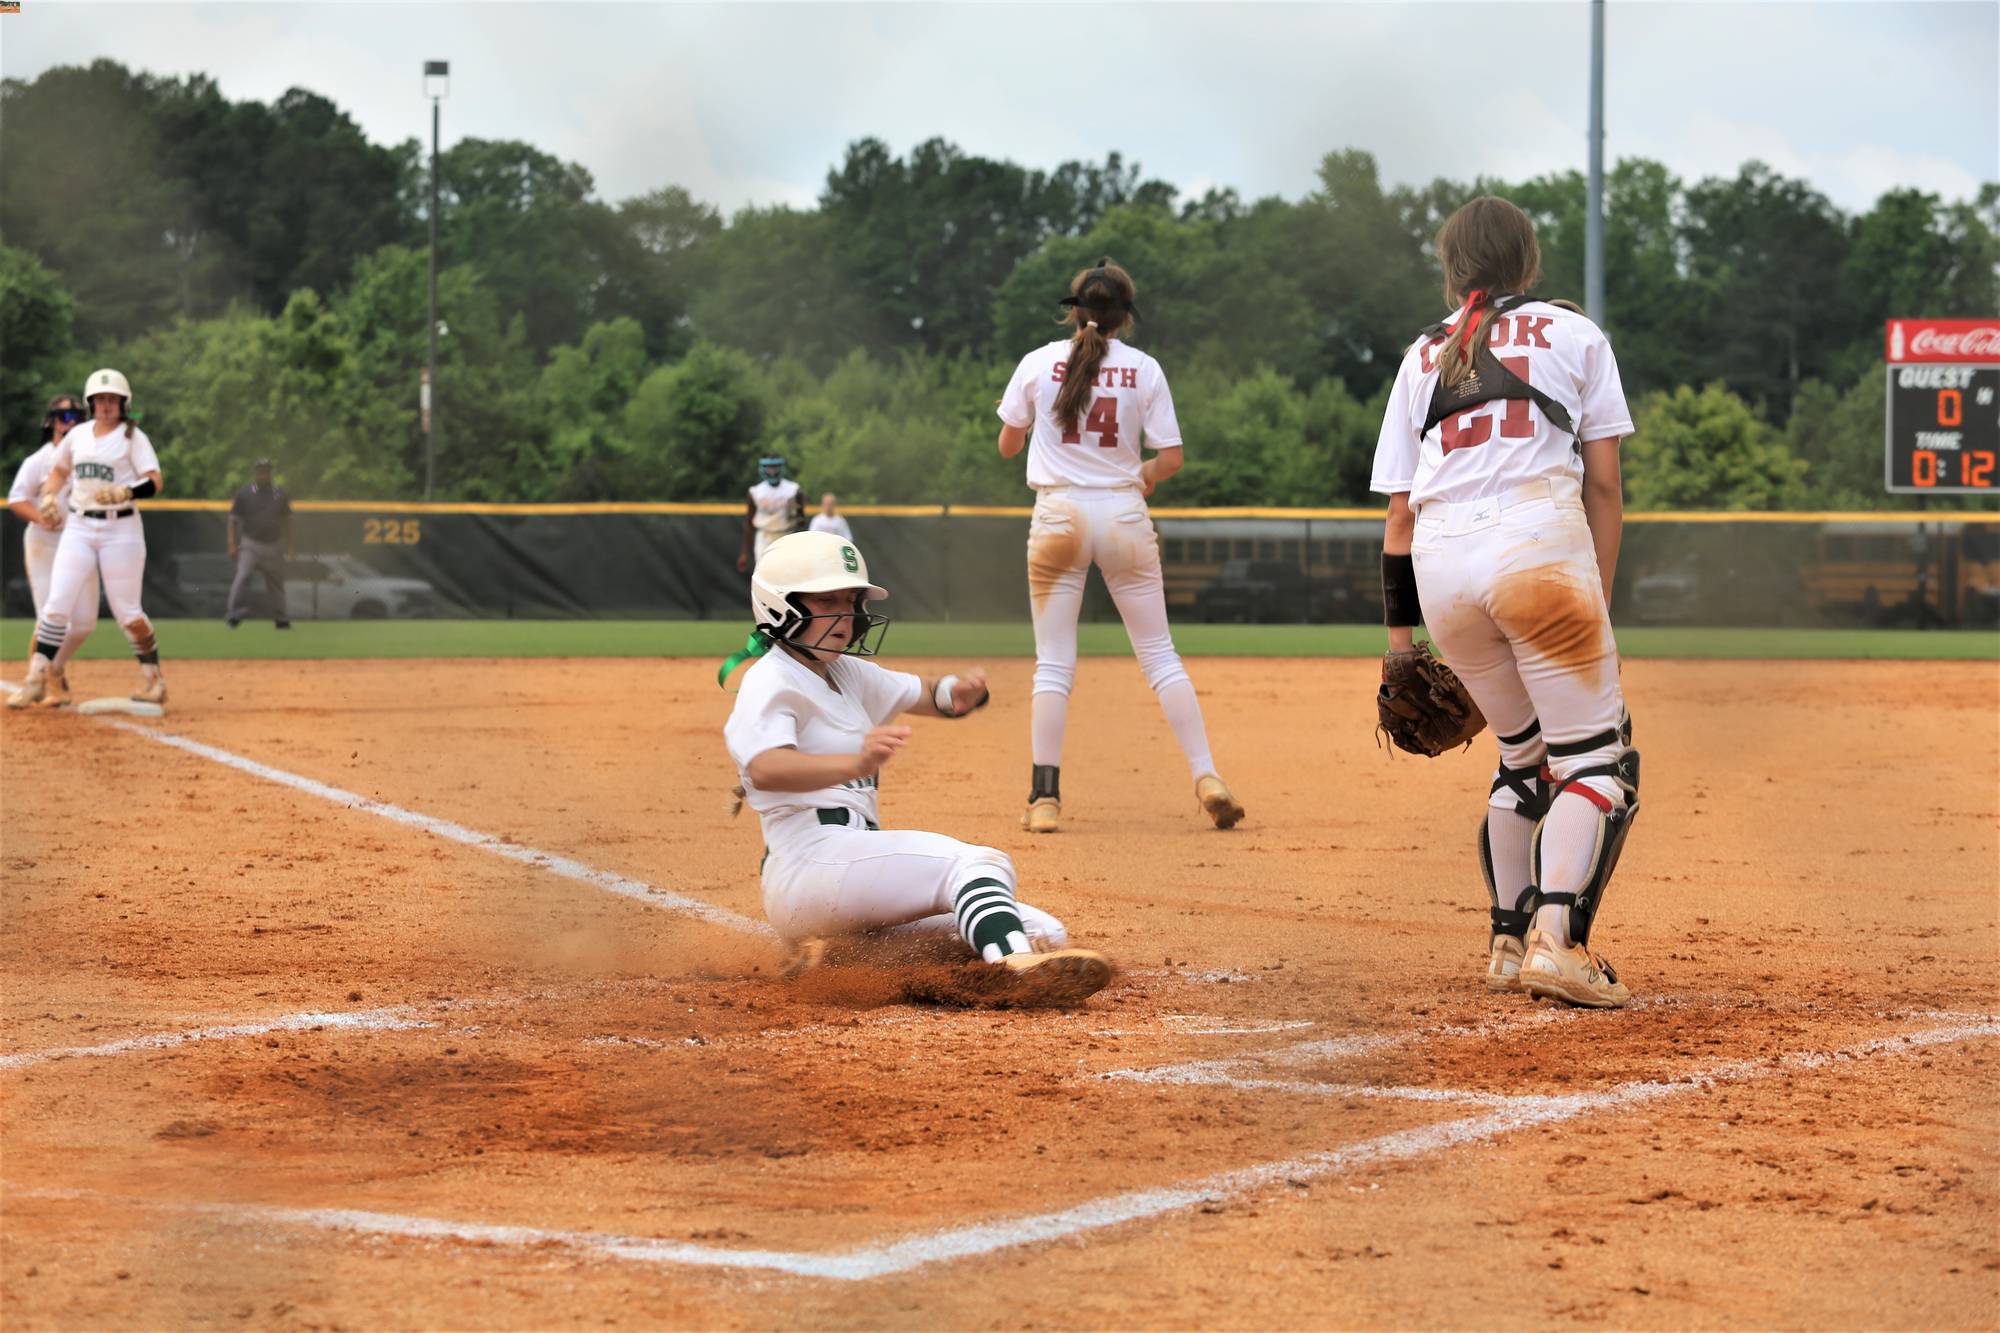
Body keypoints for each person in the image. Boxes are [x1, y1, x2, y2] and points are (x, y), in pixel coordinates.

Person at [1368, 196, 1640, 1008]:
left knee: (1522, 754)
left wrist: (1399, 645)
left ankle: (1505, 940)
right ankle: (1558, 942)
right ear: (1529, 262)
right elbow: (1603, 485)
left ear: (1453, 270)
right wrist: (1595, 598)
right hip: (1538, 547)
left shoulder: (1424, 355)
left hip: (1443, 565)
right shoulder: (1576, 334)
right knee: (1597, 757)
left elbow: (1398, 515)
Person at [721, 530, 1113, 1003]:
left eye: (850, 601)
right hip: (808, 861)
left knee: (1045, 930)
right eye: (828, 601)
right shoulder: (770, 680)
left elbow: (926, 694)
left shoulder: (848, 673)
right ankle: (1012, 968)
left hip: (845, 867)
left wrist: (960, 693)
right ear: (780, 605)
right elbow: (765, 769)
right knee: (976, 863)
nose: (845, 616)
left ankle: (840, 958)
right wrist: (855, 762)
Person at [996, 258, 1243, 835]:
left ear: (1072, 309)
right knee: (1160, 656)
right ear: (1124, 316)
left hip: (1058, 514)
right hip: (1124, 514)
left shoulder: (1037, 363)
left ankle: (1044, 799)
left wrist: (1032, 427)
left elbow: (1009, 446)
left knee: (1054, 665)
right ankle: (1207, 775)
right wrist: (1145, 475)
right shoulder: (1145, 369)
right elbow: (1173, 459)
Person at [6, 369, 169, 708]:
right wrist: (50, 496)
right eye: (100, 400)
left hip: (120, 528)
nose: (106, 406)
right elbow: (59, 471)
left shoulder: (132, 437)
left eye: (113, 400)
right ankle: (36, 678)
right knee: (56, 606)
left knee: (128, 612)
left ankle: (154, 680)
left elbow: (154, 480)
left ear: (124, 404)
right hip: (79, 527)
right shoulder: (77, 435)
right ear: (92, 403)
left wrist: (127, 490)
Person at [4, 394, 99, 707]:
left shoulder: (92, 458)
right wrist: (42, 518)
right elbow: (17, 498)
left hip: (82, 540)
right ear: (51, 422)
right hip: (45, 543)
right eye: (63, 416)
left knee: (83, 623)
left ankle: (55, 669)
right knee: (49, 614)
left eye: (76, 416)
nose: (70, 422)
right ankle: (35, 681)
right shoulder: (40, 460)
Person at [226, 458, 294, 628]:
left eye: (266, 470)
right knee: (242, 577)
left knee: (276, 582)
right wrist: (232, 544)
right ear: (256, 473)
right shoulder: (245, 492)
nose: (263, 473)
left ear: (270, 473)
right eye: (260, 470)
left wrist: (291, 546)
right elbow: (233, 520)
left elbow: (288, 522)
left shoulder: (280, 493)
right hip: (251, 544)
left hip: (274, 544)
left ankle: (281, 619)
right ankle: (233, 615)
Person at [737, 455, 803, 572]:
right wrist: (744, 553)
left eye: (775, 467)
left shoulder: (793, 490)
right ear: (762, 468)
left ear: (781, 468)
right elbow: (749, 522)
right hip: (764, 536)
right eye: (769, 468)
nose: (772, 472)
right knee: (763, 572)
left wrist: (794, 512)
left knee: (787, 572)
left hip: (786, 535)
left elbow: (801, 520)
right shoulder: (755, 492)